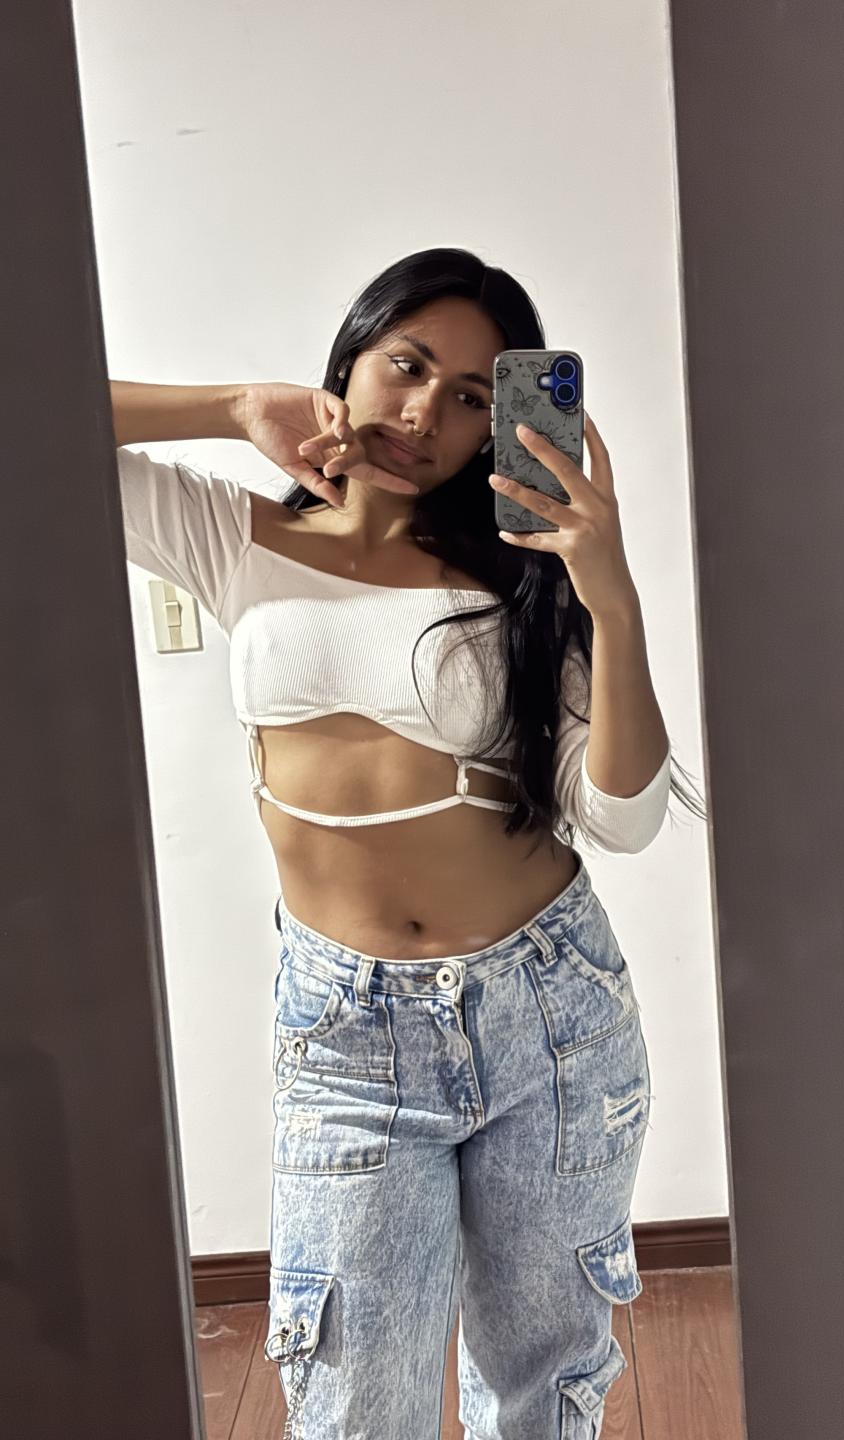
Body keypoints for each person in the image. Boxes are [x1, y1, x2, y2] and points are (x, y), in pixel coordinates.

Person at [111, 247, 704, 1439]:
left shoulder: (523, 581)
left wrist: (611, 595)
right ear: (353, 359)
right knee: (353, 1407)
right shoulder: (232, 536)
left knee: (541, 1396)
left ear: (498, 428)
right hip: (347, 1033)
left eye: (473, 395)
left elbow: (625, 818)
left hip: (549, 1014)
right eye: (408, 364)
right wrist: (236, 405)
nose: (427, 410)